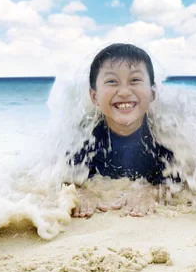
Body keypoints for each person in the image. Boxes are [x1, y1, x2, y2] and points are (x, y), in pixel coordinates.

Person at [70, 43, 176, 217]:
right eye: (112, 81)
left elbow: (180, 176)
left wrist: (152, 191)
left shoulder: (165, 133)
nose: (125, 92)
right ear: (94, 96)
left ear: (152, 93)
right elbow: (63, 177)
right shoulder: (84, 135)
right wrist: (81, 192)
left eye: (135, 80)